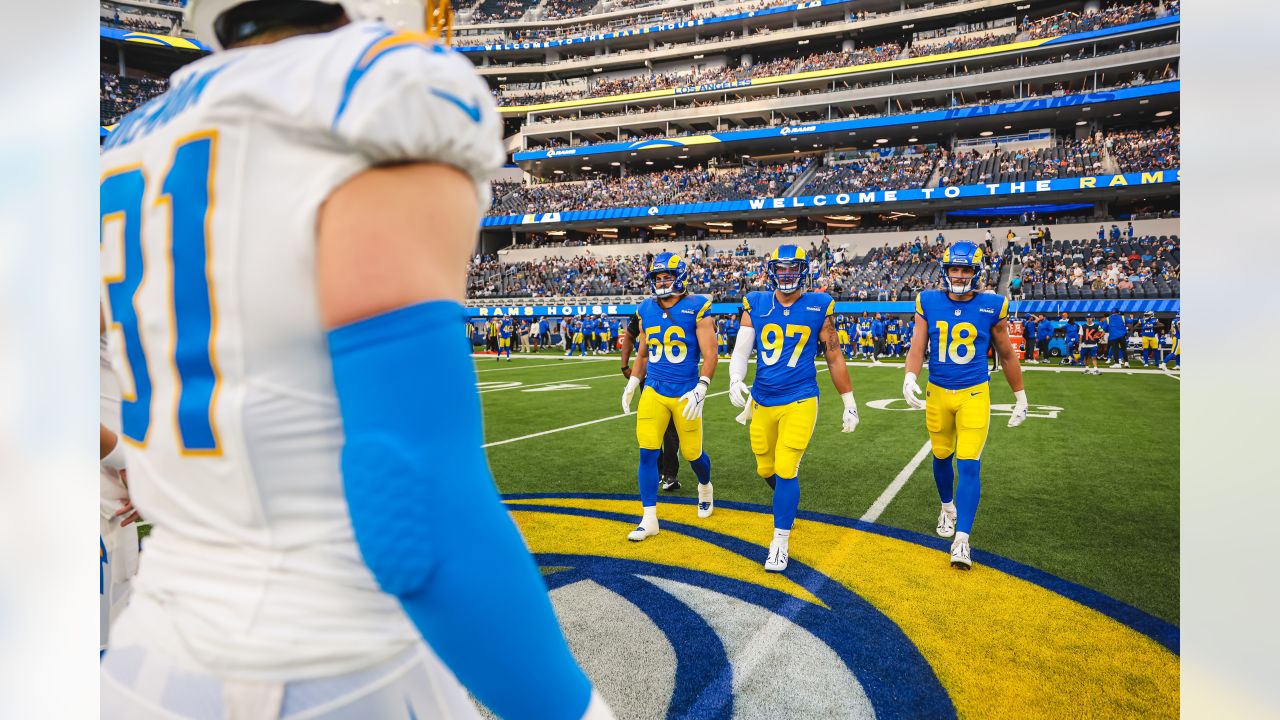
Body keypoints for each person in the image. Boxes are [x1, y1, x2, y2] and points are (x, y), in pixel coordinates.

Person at [99, 1, 611, 717]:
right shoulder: (369, 89)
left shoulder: (129, 135)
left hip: (141, 663)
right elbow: (414, 494)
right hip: (328, 669)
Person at [728, 245, 859, 572]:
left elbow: (833, 356)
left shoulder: (818, 304)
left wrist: (849, 402)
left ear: (803, 270)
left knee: (787, 469)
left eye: (792, 268)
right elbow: (742, 350)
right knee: (765, 468)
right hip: (762, 398)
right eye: (781, 268)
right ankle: (786, 501)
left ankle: (780, 541)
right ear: (772, 270)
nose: (787, 274)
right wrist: (734, 379)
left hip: (800, 398)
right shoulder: (755, 302)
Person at [903, 241, 1029, 570]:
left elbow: (1006, 353)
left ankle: (962, 539)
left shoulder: (992, 304)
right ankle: (947, 507)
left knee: (969, 463)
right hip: (938, 392)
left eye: (966, 269)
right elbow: (918, 344)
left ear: (976, 271)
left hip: (974, 392)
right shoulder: (928, 300)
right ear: (945, 271)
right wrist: (909, 375)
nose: (959, 275)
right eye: (954, 269)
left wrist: (1020, 394)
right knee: (941, 455)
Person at [621, 253, 718, 541]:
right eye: (658, 278)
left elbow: (711, 354)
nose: (662, 282)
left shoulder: (697, 307)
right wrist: (633, 383)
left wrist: (702, 386)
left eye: (667, 276)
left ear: (681, 277)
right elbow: (642, 353)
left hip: (687, 392)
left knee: (692, 454)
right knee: (647, 452)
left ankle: (705, 486)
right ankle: (649, 518)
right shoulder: (645, 309)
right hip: (654, 390)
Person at [620, 312, 682, 492]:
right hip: (652, 376)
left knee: (670, 429)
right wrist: (625, 366)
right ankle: (664, 472)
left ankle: (668, 473)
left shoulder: (687, 306)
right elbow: (630, 336)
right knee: (655, 427)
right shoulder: (646, 310)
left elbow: (710, 328)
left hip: (674, 376)